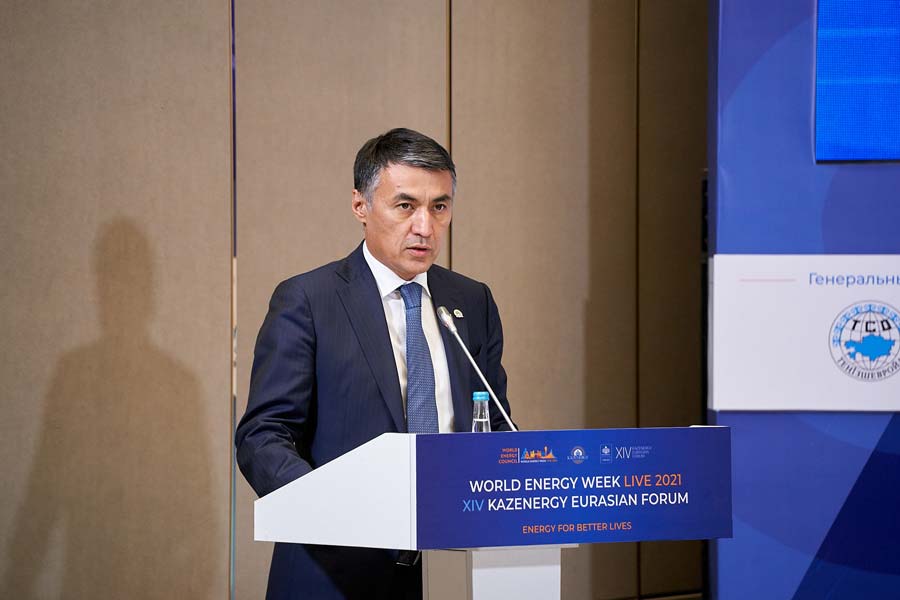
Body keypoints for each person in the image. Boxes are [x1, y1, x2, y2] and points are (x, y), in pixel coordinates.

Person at [235, 127, 513, 600]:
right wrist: (328, 509)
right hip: (336, 570)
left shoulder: (471, 301)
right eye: (405, 205)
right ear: (360, 206)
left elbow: (496, 421)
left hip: (454, 569)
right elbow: (263, 435)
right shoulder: (309, 300)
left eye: (439, 207)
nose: (424, 226)